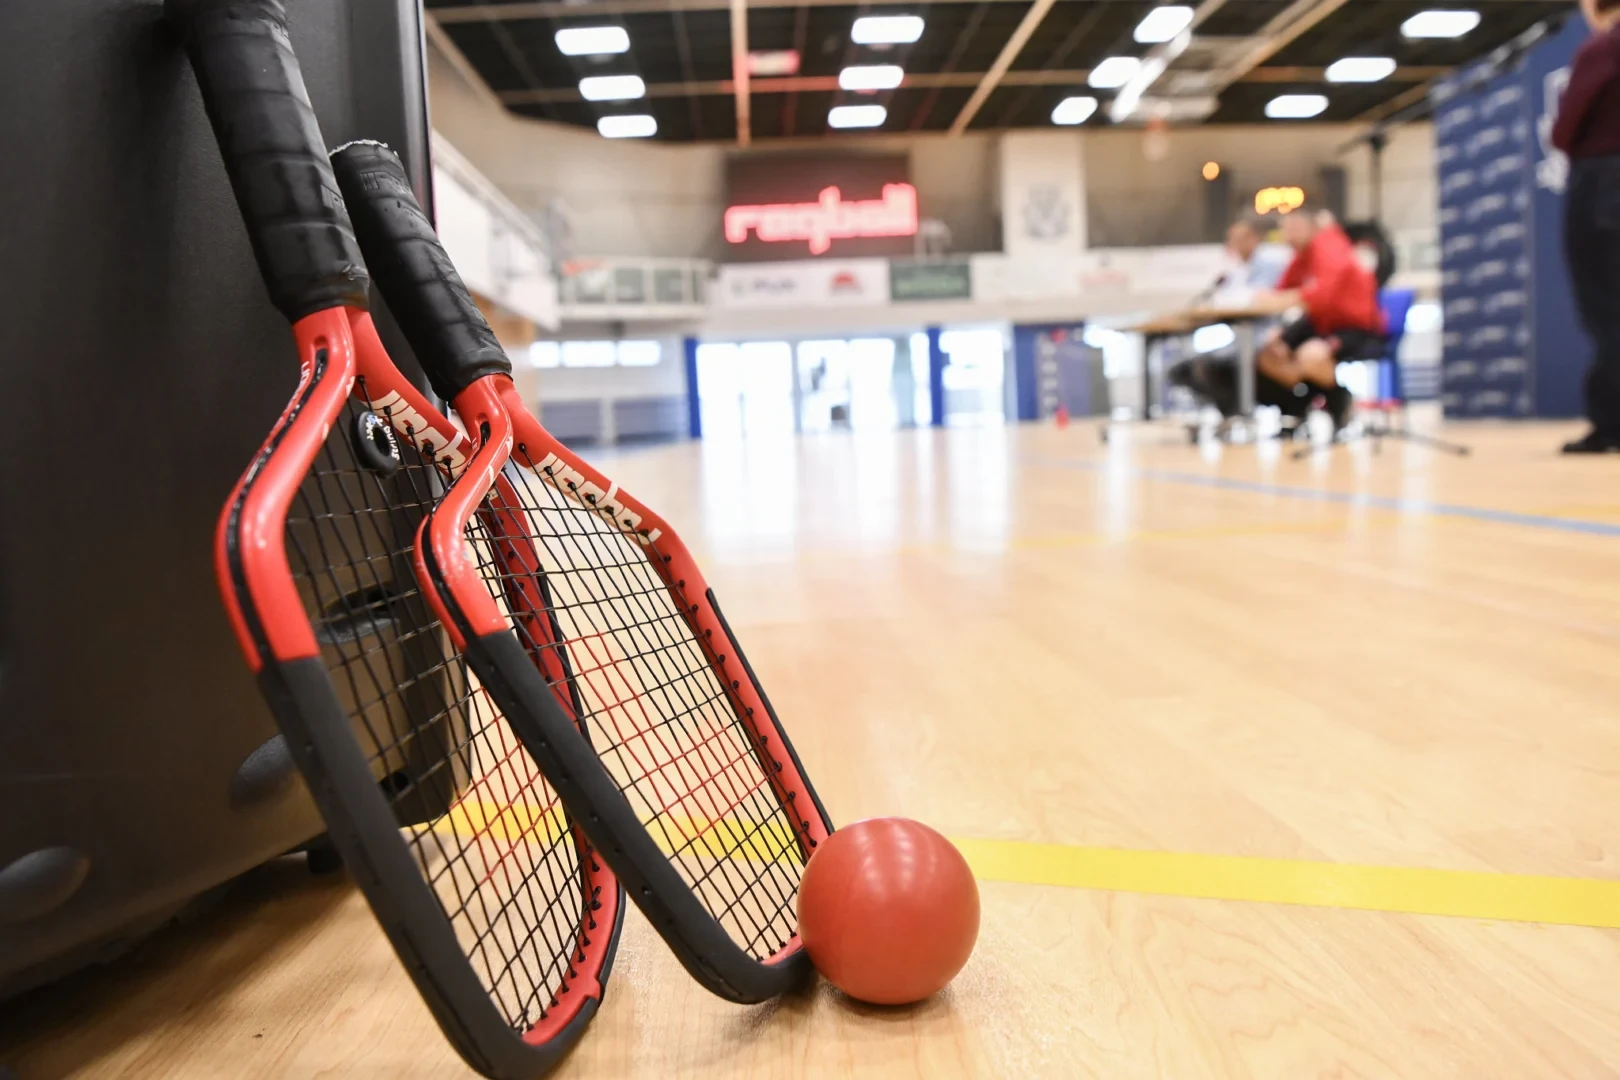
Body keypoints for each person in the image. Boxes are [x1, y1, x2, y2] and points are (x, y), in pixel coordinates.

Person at [1552, 0, 1620, 453]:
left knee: (1607, 310)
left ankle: (1611, 423)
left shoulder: (1602, 50)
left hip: (1604, 185)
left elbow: (1564, 129)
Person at [1251, 207, 1387, 430]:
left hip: (1354, 324)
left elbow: (1322, 295)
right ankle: (1303, 400)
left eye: (1293, 227)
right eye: (1285, 228)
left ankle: (1337, 398)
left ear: (1310, 226)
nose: (1288, 234)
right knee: (1269, 353)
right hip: (1321, 321)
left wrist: (1283, 298)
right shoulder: (1302, 253)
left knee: (1311, 355)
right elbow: (1283, 288)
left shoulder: (1328, 244)